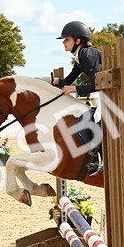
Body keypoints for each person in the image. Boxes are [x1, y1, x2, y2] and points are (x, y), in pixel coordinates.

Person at [53, 20, 103, 176]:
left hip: (116, 90)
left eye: (66, 39)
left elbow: (97, 84)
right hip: (105, 91)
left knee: (95, 118)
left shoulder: (87, 55)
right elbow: (69, 80)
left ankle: (100, 160)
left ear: (77, 40)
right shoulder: (80, 56)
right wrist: (58, 82)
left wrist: (74, 89)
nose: (64, 43)